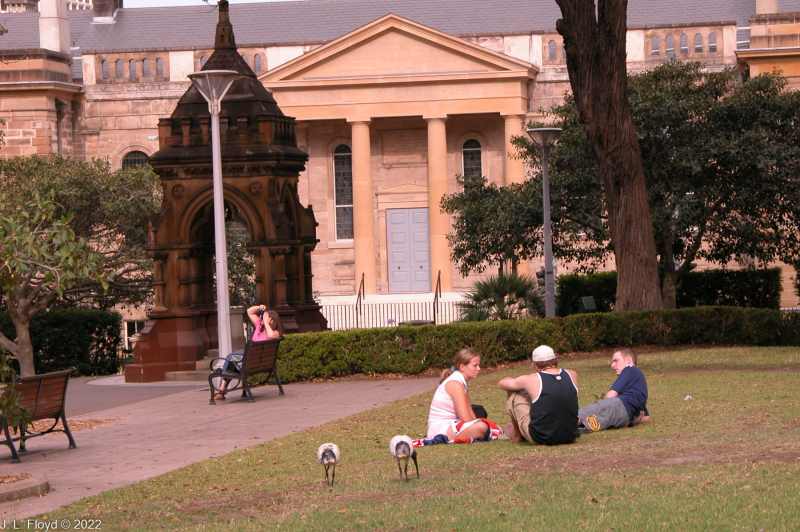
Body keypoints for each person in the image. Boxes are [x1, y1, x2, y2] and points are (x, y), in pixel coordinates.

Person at [498, 345, 580, 446]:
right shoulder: (572, 374)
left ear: (536, 365)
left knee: (515, 392)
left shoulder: (531, 379)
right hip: (570, 435)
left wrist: (509, 378)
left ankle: (516, 434)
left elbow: (502, 384)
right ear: (555, 361)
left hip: (541, 438)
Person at [214, 305, 282, 400]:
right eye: (262, 316)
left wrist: (266, 323)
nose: (261, 318)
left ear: (272, 321)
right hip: (252, 360)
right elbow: (249, 311)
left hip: (253, 360)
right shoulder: (259, 325)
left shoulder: (274, 332)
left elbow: (271, 336)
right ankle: (222, 389)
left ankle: (222, 389)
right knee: (231, 359)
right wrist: (259, 307)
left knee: (230, 358)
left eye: (265, 317)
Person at [578, 348, 649, 433]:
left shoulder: (630, 369)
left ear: (628, 359)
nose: (613, 365)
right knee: (589, 420)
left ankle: (563, 425)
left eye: (616, 361)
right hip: (625, 419)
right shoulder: (637, 382)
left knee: (581, 414)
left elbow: (610, 396)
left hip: (620, 405)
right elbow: (646, 417)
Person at [426, 348, 490, 442]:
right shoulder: (455, 384)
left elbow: (470, 412)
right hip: (440, 430)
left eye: (479, 365)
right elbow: (466, 418)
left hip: (453, 425)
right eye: (475, 365)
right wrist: (478, 425)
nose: (479, 369)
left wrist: (477, 423)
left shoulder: (462, 382)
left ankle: (493, 433)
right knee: (482, 427)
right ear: (462, 367)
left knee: (482, 421)